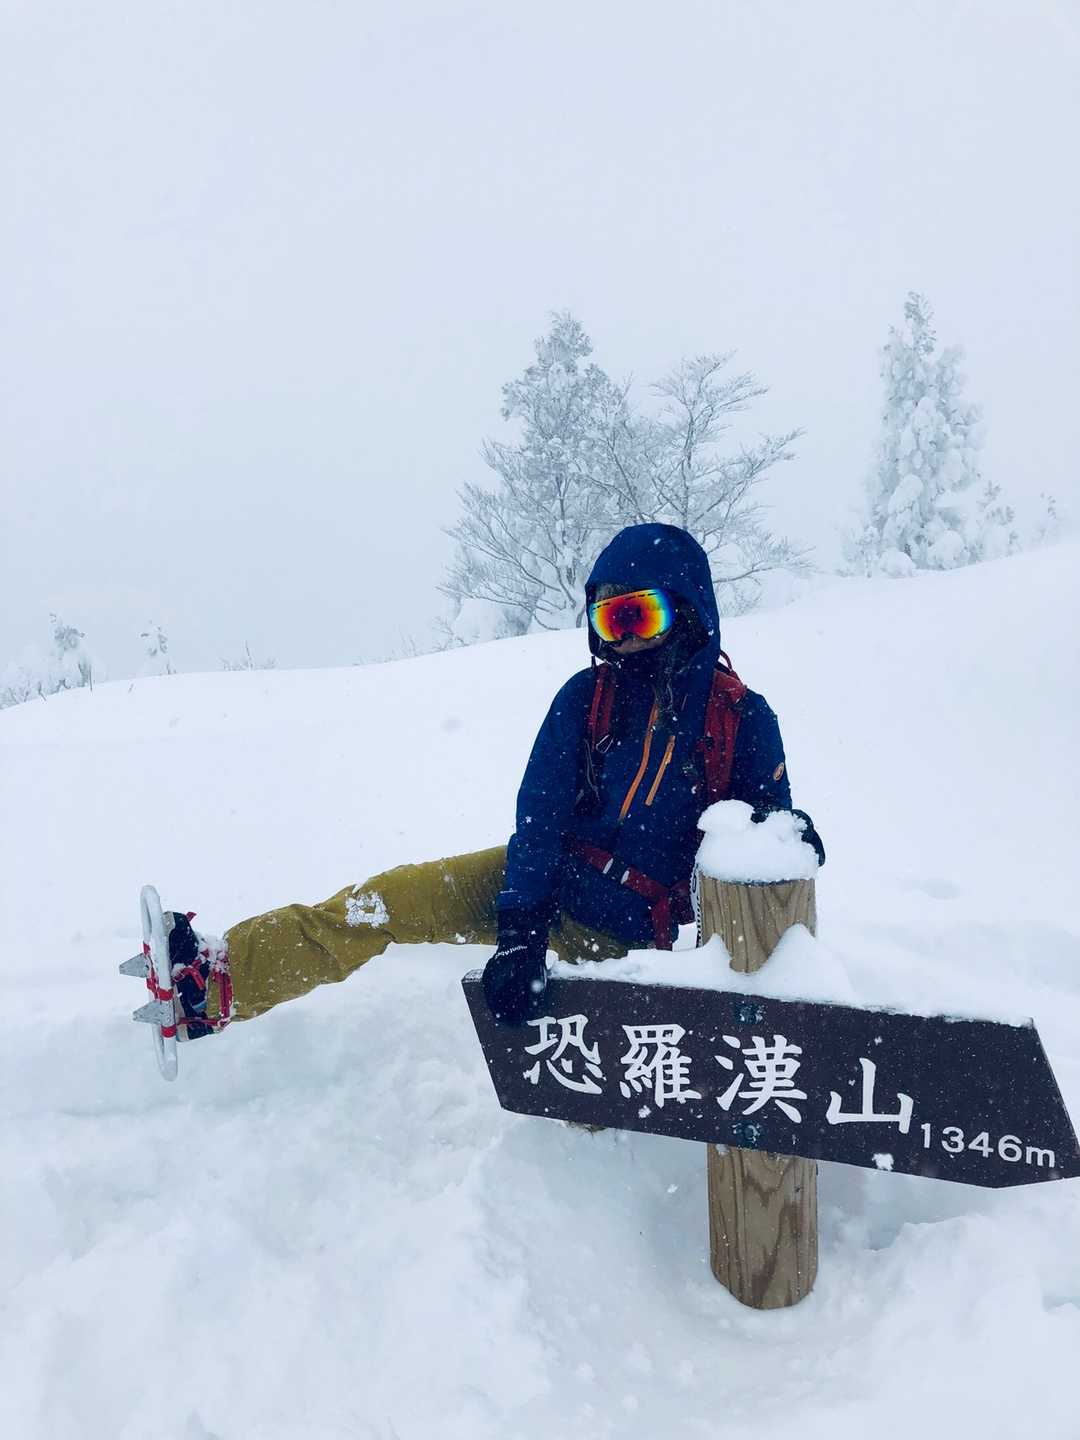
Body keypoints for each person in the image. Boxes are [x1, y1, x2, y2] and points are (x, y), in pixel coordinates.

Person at [162, 523, 822, 1041]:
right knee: (382, 903)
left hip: (628, 941)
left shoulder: (740, 719)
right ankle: (217, 983)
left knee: (584, 1090)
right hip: (544, 883)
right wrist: (522, 933)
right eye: (607, 620)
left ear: (688, 610)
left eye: (638, 617)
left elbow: (762, 847)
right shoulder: (585, 699)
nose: (622, 640)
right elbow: (539, 819)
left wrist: (787, 836)